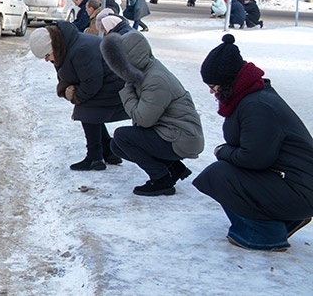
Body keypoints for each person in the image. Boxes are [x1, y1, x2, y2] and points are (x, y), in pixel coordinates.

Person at [193, 34, 313, 251]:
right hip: (297, 184)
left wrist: (223, 151)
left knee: (219, 175)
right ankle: (283, 220)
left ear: (228, 83)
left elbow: (254, 158)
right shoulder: (251, 96)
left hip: (300, 189)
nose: (212, 92)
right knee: (225, 171)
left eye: (214, 86)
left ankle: (266, 234)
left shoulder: (257, 105)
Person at [101, 31, 204, 196]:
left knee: (122, 136)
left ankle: (162, 179)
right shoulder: (146, 70)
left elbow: (143, 119)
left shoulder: (155, 79)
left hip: (182, 138)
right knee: (116, 146)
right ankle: (174, 168)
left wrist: (126, 90)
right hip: (173, 132)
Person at [29, 22, 129, 171]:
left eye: (47, 56)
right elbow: (68, 76)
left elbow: (91, 83)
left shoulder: (81, 49)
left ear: (53, 47)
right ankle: (108, 151)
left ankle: (94, 158)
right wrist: (66, 88)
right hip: (106, 84)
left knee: (86, 110)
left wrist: (76, 97)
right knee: (90, 110)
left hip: (115, 87)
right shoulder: (65, 47)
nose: (47, 60)